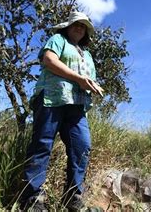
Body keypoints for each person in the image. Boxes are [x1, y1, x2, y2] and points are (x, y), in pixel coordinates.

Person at [21, 11, 104, 211]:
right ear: (67, 26)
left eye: (83, 26)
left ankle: (72, 197)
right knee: (42, 144)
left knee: (81, 147)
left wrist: (92, 85)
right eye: (76, 24)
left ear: (86, 32)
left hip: (76, 106)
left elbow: (87, 78)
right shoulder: (58, 40)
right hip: (52, 98)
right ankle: (32, 199)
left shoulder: (88, 54)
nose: (79, 28)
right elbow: (49, 60)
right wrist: (78, 78)